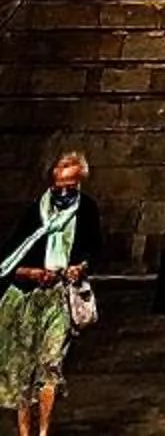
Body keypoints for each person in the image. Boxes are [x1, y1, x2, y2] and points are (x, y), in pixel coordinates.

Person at [0, 154, 99, 436]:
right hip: (26, 300)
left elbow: (94, 249)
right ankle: (24, 432)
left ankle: (43, 431)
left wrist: (81, 267)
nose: (65, 192)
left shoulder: (87, 210)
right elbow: (9, 260)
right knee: (22, 369)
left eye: (71, 186)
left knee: (50, 364)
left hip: (60, 297)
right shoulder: (36, 211)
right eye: (60, 186)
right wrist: (32, 273)